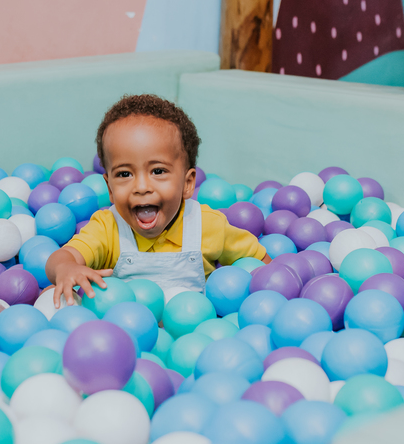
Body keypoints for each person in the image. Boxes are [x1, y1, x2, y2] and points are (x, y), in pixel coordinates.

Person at [45, 95, 269, 306]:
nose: (141, 187)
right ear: (109, 189)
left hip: (194, 334)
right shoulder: (107, 228)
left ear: (187, 183)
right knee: (51, 295)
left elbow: (261, 264)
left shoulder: (208, 225)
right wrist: (66, 268)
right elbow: (63, 256)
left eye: (158, 171)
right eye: (124, 174)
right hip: (124, 335)